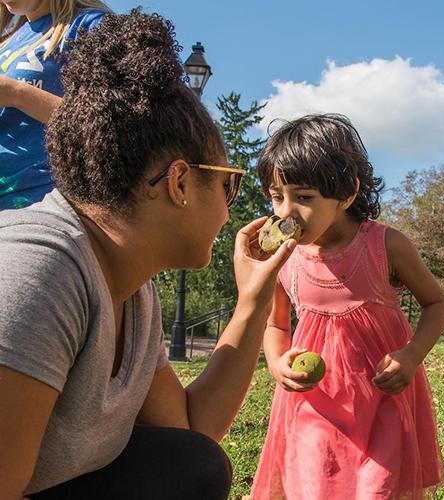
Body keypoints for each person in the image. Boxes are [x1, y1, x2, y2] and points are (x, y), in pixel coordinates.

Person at [0, 10, 297, 500]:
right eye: (228, 182)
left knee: (191, 466)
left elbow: (188, 434)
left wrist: (255, 299)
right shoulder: (39, 270)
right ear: (180, 183)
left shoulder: (132, 287)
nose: (231, 202)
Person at [250, 114, 444, 499]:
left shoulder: (386, 246)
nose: (286, 212)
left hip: (383, 401)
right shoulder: (281, 255)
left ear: (346, 192)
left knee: (379, 489)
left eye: (304, 197)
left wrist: (410, 355)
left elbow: (437, 303)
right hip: (316, 403)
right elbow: (275, 324)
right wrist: (276, 363)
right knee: (313, 484)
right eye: (277, 197)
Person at [0, 0, 109, 210]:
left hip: (41, 204)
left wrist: (16, 93)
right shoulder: (10, 39)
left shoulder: (91, 25)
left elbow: (107, 125)